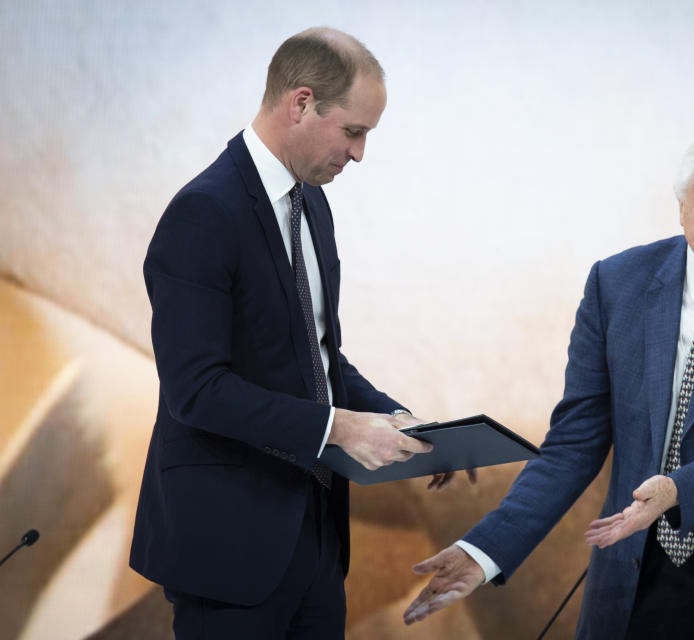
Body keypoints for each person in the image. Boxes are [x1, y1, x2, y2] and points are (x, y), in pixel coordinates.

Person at [403, 130, 694, 639]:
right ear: (682, 208)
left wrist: (677, 490)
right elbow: (573, 444)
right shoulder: (616, 283)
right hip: (638, 571)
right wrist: (486, 550)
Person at [130, 27, 464, 639]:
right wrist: (340, 427)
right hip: (227, 549)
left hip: (315, 539)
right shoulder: (203, 212)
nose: (360, 153)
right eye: (354, 131)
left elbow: (317, 357)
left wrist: (397, 419)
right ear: (301, 103)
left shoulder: (312, 203)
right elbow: (196, 389)